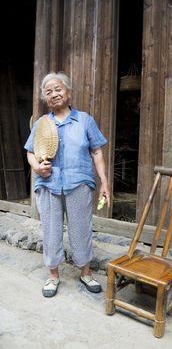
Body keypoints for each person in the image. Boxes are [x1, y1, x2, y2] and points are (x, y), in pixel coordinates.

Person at [24, 72, 110, 297]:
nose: (54, 94)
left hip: (79, 183)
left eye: (58, 89)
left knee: (81, 229)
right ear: (45, 98)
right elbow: (30, 152)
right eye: (49, 92)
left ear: (69, 93)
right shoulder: (42, 123)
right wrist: (36, 167)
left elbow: (97, 151)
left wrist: (104, 183)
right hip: (48, 184)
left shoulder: (84, 120)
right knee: (50, 231)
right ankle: (53, 276)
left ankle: (85, 272)